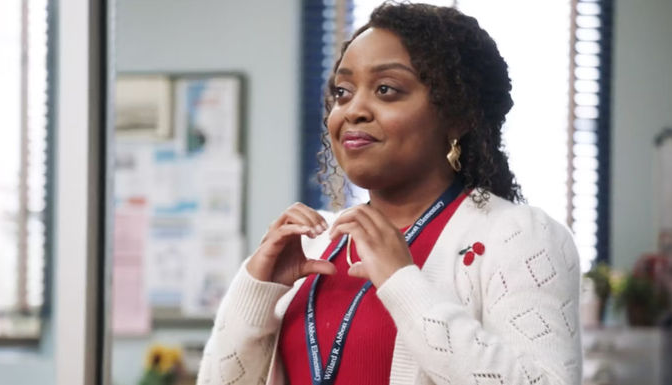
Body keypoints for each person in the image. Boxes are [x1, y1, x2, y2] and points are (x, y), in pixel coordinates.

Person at [197, 2, 582, 384]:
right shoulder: (312, 247)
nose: (353, 111)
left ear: (457, 116)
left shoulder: (518, 236)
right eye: (342, 92)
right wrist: (255, 291)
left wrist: (403, 284)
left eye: (386, 89)